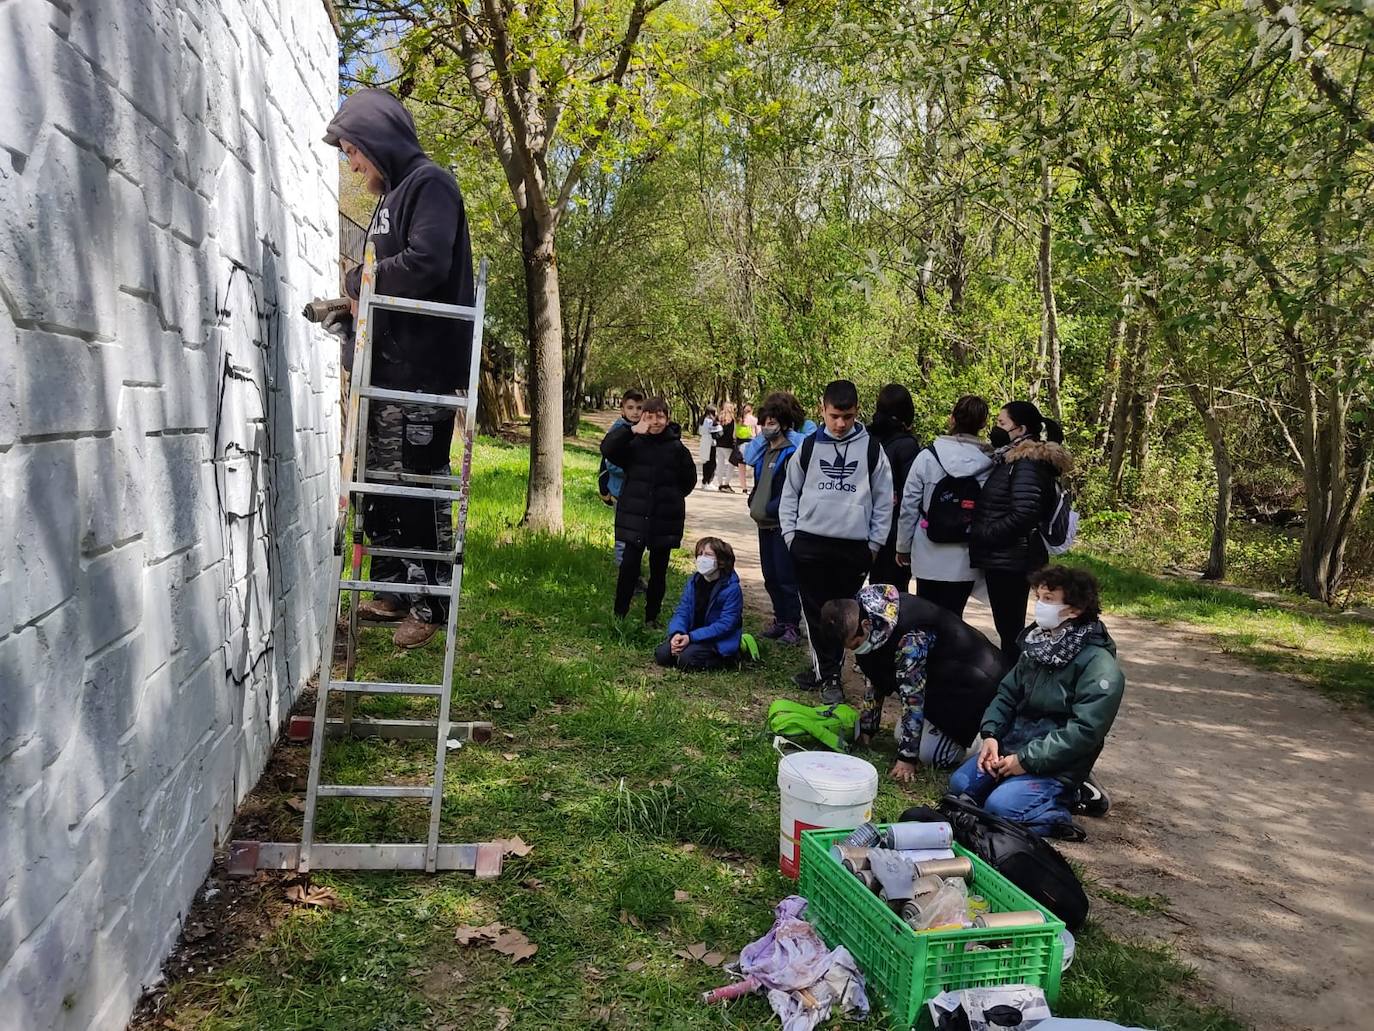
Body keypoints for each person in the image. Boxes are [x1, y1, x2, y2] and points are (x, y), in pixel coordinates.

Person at [323, 88, 475, 649]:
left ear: (377, 140)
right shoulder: (390, 194)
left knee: (416, 486)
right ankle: (391, 586)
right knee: (381, 483)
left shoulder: (429, 183)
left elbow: (427, 262)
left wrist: (359, 281)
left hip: (422, 373)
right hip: (387, 371)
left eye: (353, 152)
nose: (353, 163)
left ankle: (429, 604)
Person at [948, 566, 1124, 838]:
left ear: (1074, 609)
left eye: (1049, 600)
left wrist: (1027, 760)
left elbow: (1084, 731)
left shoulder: (1100, 666)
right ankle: (1024, 793)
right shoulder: (1037, 645)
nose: (1040, 606)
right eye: (1039, 597)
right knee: (960, 786)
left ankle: (1060, 809)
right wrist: (991, 736)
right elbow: (1006, 694)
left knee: (999, 808)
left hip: (1057, 763)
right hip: (1013, 747)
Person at [820, 585, 1007, 783]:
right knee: (901, 733)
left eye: (855, 645)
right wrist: (867, 729)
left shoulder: (910, 638)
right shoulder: (872, 623)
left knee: (930, 754)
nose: (854, 651)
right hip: (940, 684)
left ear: (865, 625)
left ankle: (982, 738)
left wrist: (906, 758)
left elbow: (912, 697)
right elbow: (875, 675)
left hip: (976, 686)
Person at [780, 379, 893, 703]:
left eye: (848, 416)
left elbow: (884, 502)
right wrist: (791, 538)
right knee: (816, 615)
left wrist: (872, 546)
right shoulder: (809, 447)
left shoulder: (873, 450)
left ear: (858, 412)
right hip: (809, 545)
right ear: (823, 410)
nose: (841, 424)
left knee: (845, 617)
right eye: (834, 416)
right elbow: (790, 494)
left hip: (852, 549)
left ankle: (839, 674)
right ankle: (827, 675)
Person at [970, 401, 1072, 663]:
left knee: (1011, 630)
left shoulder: (1026, 463)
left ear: (1021, 429)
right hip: (1008, 556)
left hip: (1012, 558)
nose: (995, 428)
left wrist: (985, 533)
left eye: (1002, 423)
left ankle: (1015, 686)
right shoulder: (1012, 459)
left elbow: (1024, 514)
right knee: (1009, 628)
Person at [896, 395, 995, 618]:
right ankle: (951, 653)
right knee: (953, 618)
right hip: (965, 554)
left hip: (927, 549)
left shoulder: (927, 457)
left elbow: (909, 505)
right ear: (982, 424)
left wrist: (902, 547)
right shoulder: (988, 463)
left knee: (925, 616)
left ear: (951, 419)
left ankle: (925, 652)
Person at [600, 397, 698, 624]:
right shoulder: (633, 444)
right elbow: (607, 448)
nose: (655, 421)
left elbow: (689, 481)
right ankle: (619, 615)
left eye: (660, 416)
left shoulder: (677, 449)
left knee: (658, 571)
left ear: (667, 418)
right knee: (628, 568)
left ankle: (651, 617)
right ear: (643, 417)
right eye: (650, 416)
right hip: (634, 517)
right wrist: (632, 430)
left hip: (664, 519)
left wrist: (670, 497)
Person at [744, 393, 805, 645]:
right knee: (770, 575)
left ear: (784, 422)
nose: (767, 427)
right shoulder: (764, 450)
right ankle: (780, 619)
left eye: (772, 422)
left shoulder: (793, 452)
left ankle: (792, 624)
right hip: (764, 525)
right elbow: (751, 466)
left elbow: (793, 489)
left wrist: (772, 508)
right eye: (765, 421)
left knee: (785, 576)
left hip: (783, 524)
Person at [656, 538, 745, 670]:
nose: (702, 558)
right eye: (700, 554)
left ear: (720, 561)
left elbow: (726, 624)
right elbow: (683, 611)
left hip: (716, 640)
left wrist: (691, 637)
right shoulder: (694, 582)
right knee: (662, 655)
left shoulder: (731, 589)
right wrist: (677, 633)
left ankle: (730, 659)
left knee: (686, 661)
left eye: (708, 555)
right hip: (691, 636)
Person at [867, 384, 922, 592]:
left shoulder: (867, 439)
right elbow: (911, 496)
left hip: (865, 527)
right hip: (892, 533)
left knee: (871, 594)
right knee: (894, 596)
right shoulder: (907, 445)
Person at [598, 390, 647, 591]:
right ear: (622, 410)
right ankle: (625, 578)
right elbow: (610, 462)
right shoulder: (620, 430)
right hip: (621, 492)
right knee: (623, 537)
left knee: (637, 536)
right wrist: (633, 469)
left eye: (639, 408)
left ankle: (633, 575)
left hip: (638, 494)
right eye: (630, 408)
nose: (635, 412)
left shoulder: (643, 429)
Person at [715, 402, 740, 493]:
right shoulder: (732, 420)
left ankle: (720, 483)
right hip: (728, 445)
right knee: (732, 464)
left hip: (719, 444)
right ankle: (726, 484)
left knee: (720, 464)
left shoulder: (719, 418)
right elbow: (734, 433)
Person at [697, 406, 720, 488]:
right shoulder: (709, 421)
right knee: (712, 463)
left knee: (705, 462)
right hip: (711, 443)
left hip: (704, 441)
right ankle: (708, 481)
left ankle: (704, 482)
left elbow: (700, 431)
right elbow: (713, 430)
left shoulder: (702, 420)